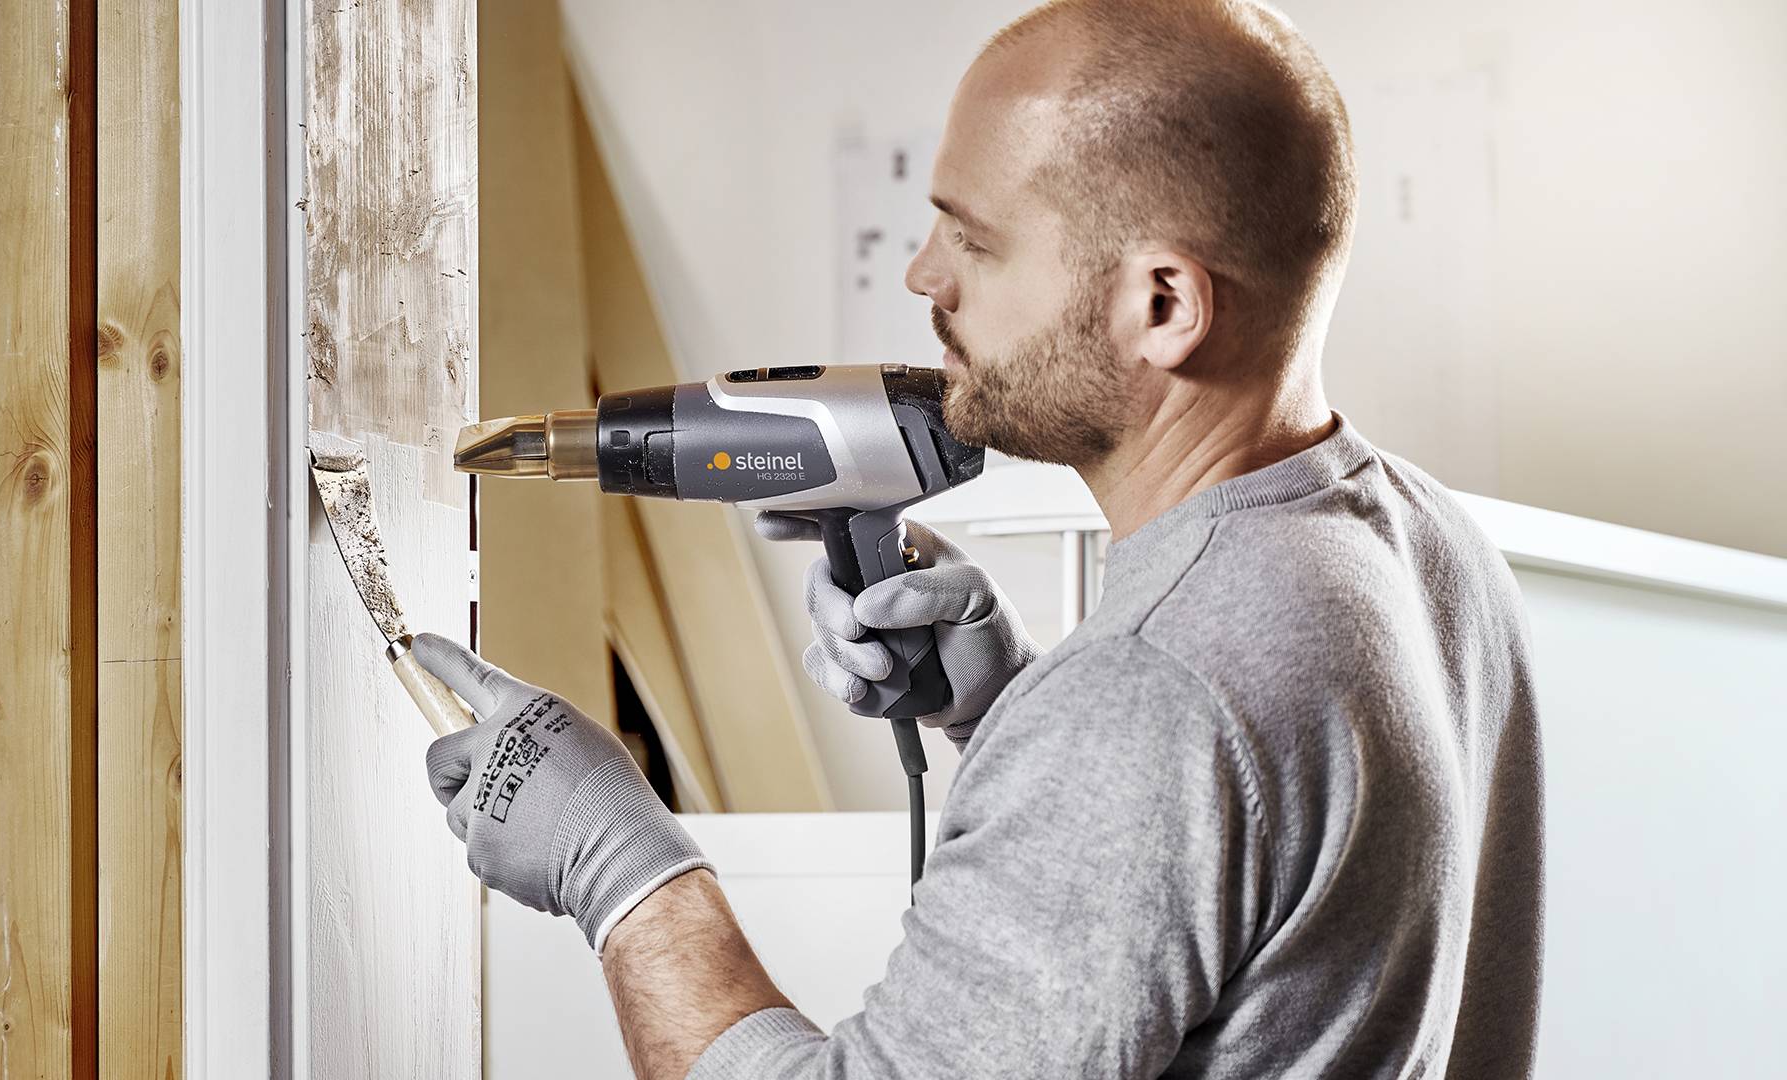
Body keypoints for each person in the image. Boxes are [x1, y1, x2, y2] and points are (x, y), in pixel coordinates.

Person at [413, 0, 1544, 1075]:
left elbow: (1175, 734)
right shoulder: (1431, 549)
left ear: (1164, 305)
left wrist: (621, 867)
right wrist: (1011, 713)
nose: (924, 276)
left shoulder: (1154, 701)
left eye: (977, 243)